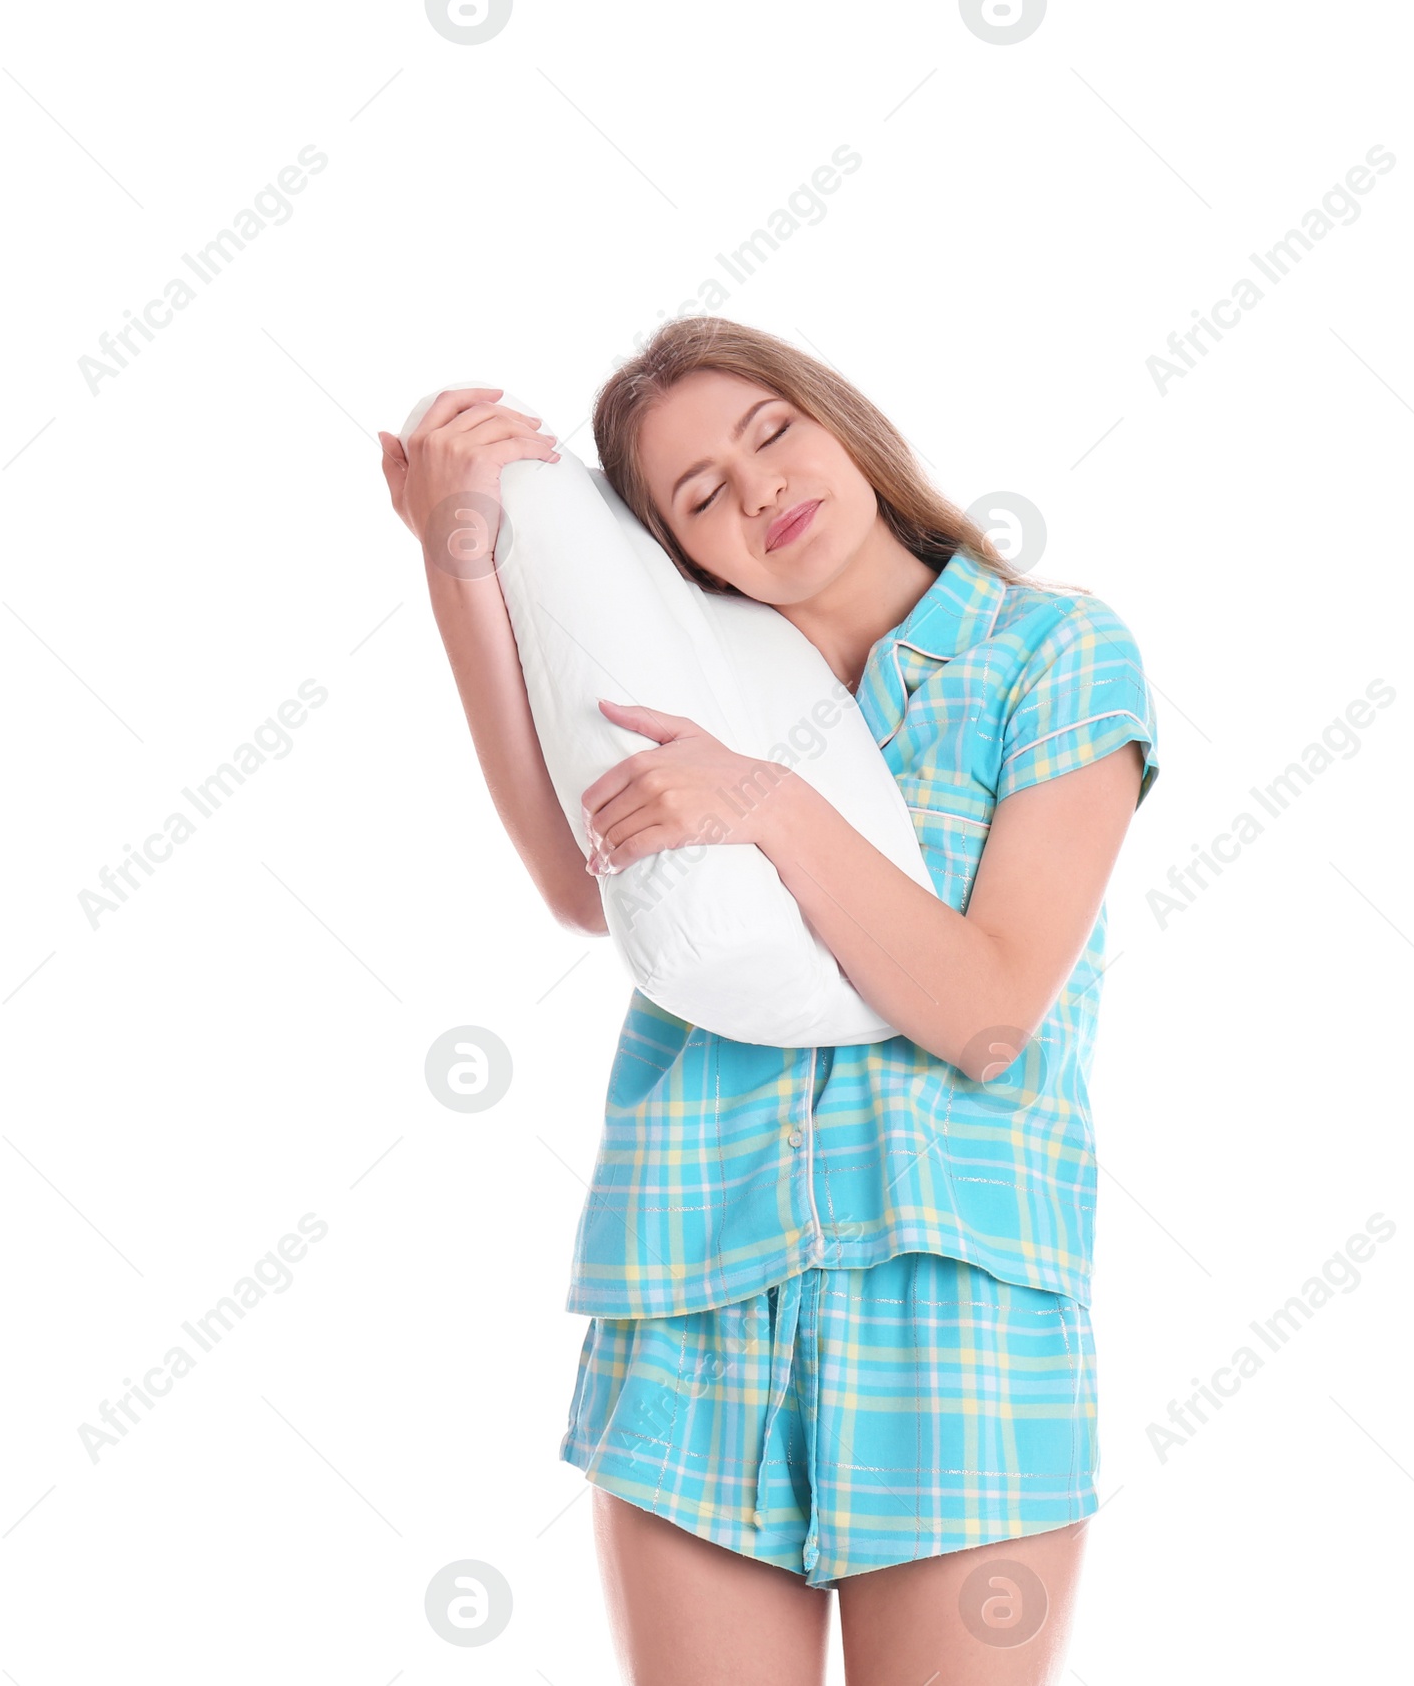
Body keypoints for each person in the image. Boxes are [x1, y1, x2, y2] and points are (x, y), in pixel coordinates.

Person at [378, 317, 1160, 1686]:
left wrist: (766, 797)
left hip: (955, 1302)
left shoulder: (1051, 652)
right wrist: (457, 559)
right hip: (690, 1277)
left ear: (838, 418)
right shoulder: (699, 665)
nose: (757, 492)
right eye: (697, 496)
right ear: (680, 551)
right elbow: (583, 878)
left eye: (770, 434)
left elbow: (986, 1010)